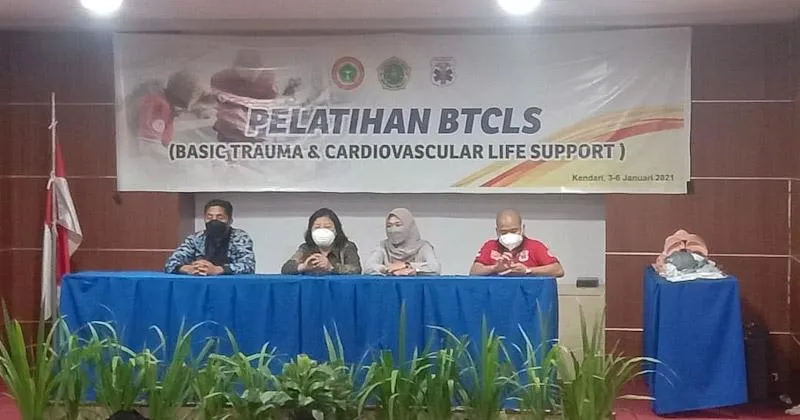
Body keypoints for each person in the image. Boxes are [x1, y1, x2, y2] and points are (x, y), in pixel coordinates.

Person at [164, 199, 255, 275]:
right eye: (209, 217)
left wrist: (218, 270)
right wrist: (187, 268)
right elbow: (170, 264)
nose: (214, 220)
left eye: (220, 217)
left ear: (230, 220)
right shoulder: (195, 239)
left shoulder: (240, 237)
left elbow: (249, 266)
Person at [469, 209, 564, 277]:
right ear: (497, 231)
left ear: (522, 228)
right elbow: (474, 271)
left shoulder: (535, 246)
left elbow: (558, 270)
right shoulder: (490, 246)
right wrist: (494, 268)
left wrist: (527, 270)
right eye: (504, 232)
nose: (509, 235)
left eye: (514, 231)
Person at [281, 208, 361, 275]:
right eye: (317, 227)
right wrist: (304, 266)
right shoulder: (306, 248)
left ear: (336, 230)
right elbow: (286, 268)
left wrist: (331, 267)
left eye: (327, 227)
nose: (322, 231)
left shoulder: (346, 246)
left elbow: (356, 270)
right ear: (311, 230)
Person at [364, 208, 441, 276]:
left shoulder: (423, 246)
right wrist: (388, 269)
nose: (393, 230)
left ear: (409, 227)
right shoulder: (383, 246)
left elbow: (435, 268)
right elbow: (368, 267)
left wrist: (407, 265)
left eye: (398, 225)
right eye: (389, 226)